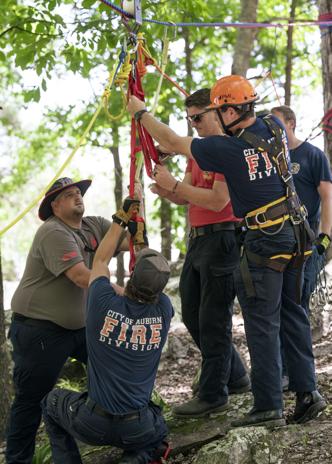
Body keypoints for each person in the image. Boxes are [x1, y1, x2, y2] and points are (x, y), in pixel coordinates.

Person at [127, 74, 327, 427]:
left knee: (262, 321)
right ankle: (307, 393)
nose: (216, 119)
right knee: (292, 314)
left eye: (219, 112)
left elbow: (174, 139)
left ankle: (268, 405)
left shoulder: (227, 150)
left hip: (265, 240)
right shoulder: (272, 126)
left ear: (232, 112)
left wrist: (141, 113)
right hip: (296, 233)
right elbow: (182, 144)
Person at [41, 198, 173, 464]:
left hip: (91, 422)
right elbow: (149, 277)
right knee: (160, 430)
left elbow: (99, 261)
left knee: (51, 402)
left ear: (131, 277)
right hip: (136, 427)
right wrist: (139, 236)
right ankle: (133, 460)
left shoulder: (102, 301)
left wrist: (121, 219)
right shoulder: (163, 311)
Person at [6, 177, 126, 464]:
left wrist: (130, 217)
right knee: (32, 398)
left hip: (80, 327)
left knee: (113, 371)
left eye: (78, 193)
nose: (77, 197)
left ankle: (123, 433)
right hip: (40, 330)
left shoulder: (94, 225)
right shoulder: (52, 232)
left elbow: (130, 240)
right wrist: (123, 293)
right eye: (68, 195)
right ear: (54, 206)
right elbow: (81, 276)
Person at [150, 88, 250, 418]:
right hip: (198, 240)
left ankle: (213, 393)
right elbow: (187, 197)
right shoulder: (199, 154)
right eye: (189, 119)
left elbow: (218, 200)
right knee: (192, 313)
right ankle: (234, 375)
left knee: (213, 319)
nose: (194, 125)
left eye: (198, 117)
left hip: (223, 239)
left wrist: (176, 186)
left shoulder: (226, 150)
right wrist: (164, 187)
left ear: (218, 113)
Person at [270, 105, 332, 311]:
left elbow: (327, 197)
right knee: (276, 301)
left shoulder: (313, 155)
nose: (274, 129)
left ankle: (299, 343)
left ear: (291, 124)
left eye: (278, 123)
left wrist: (325, 235)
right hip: (277, 235)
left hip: (307, 236)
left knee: (299, 300)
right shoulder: (270, 158)